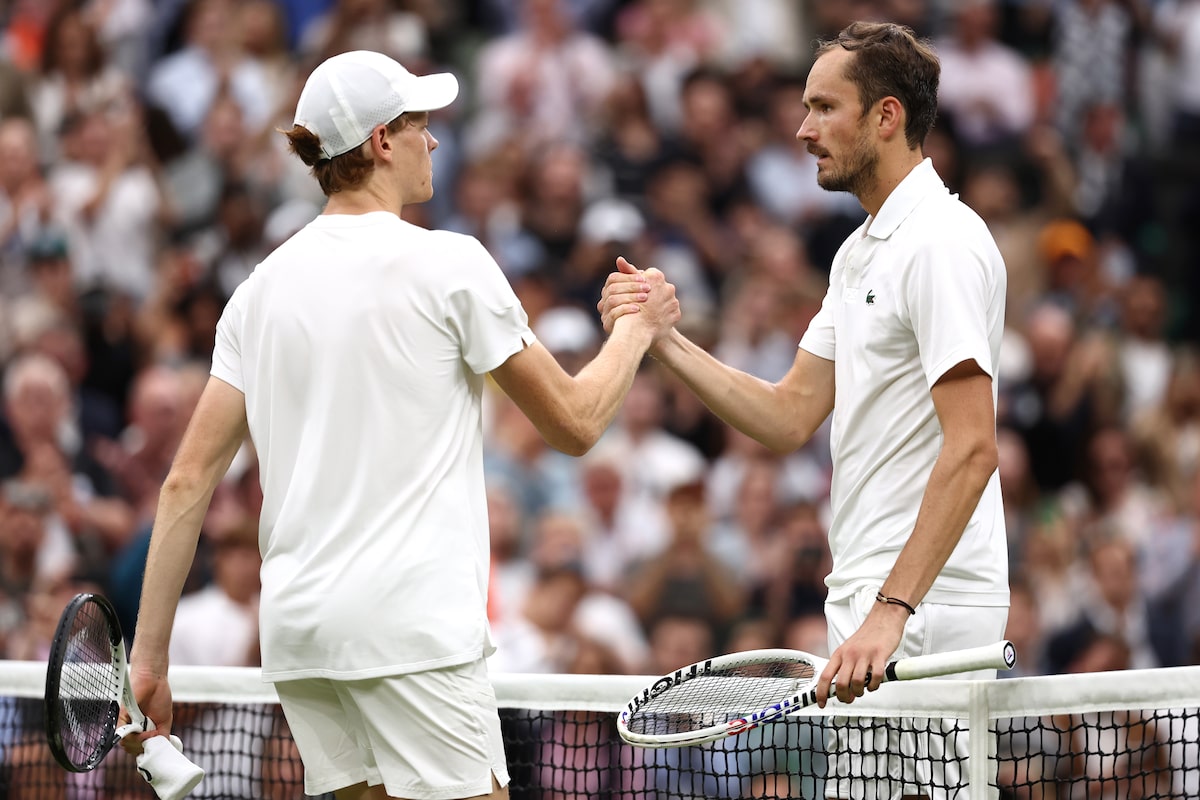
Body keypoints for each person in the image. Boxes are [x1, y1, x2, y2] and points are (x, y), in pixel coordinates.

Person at [122, 49, 679, 800]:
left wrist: (149, 663)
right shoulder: (450, 263)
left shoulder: (257, 292)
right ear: (382, 141)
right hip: (410, 634)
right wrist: (638, 329)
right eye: (419, 124)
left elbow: (186, 482)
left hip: (303, 641)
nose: (434, 139)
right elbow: (576, 423)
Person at [601, 20, 1009, 800]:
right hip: (872, 597)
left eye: (824, 107)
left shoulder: (941, 244)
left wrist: (893, 610)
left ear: (885, 117)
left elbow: (973, 448)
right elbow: (789, 415)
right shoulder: (859, 252)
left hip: (924, 604)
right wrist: (661, 339)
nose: (802, 129)